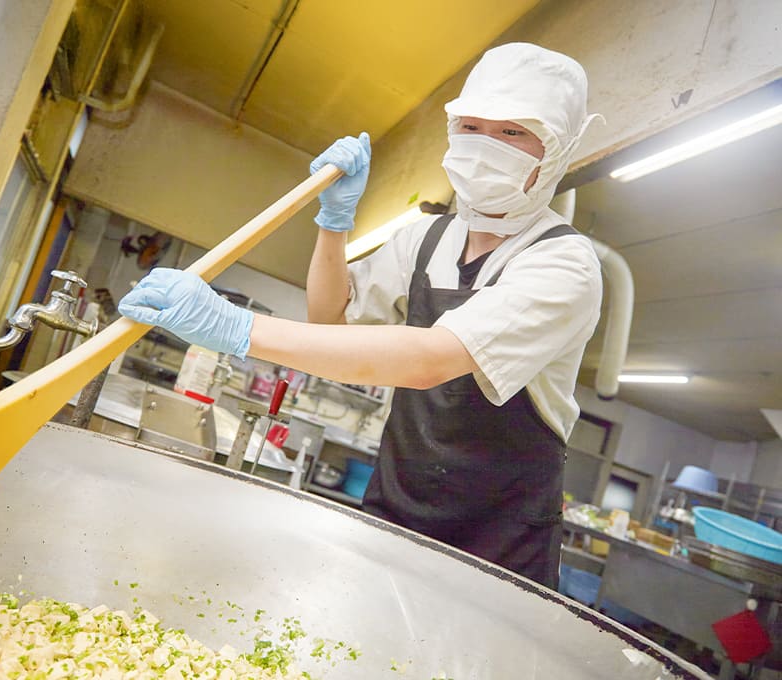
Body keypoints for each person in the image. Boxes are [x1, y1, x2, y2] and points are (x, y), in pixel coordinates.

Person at [118, 42, 603, 589]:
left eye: (512, 132)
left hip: (498, 544)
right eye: (470, 125)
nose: (485, 145)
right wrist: (334, 221)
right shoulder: (427, 238)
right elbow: (329, 319)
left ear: (556, 149)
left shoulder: (563, 264)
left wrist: (235, 326)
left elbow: (429, 360)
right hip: (396, 508)